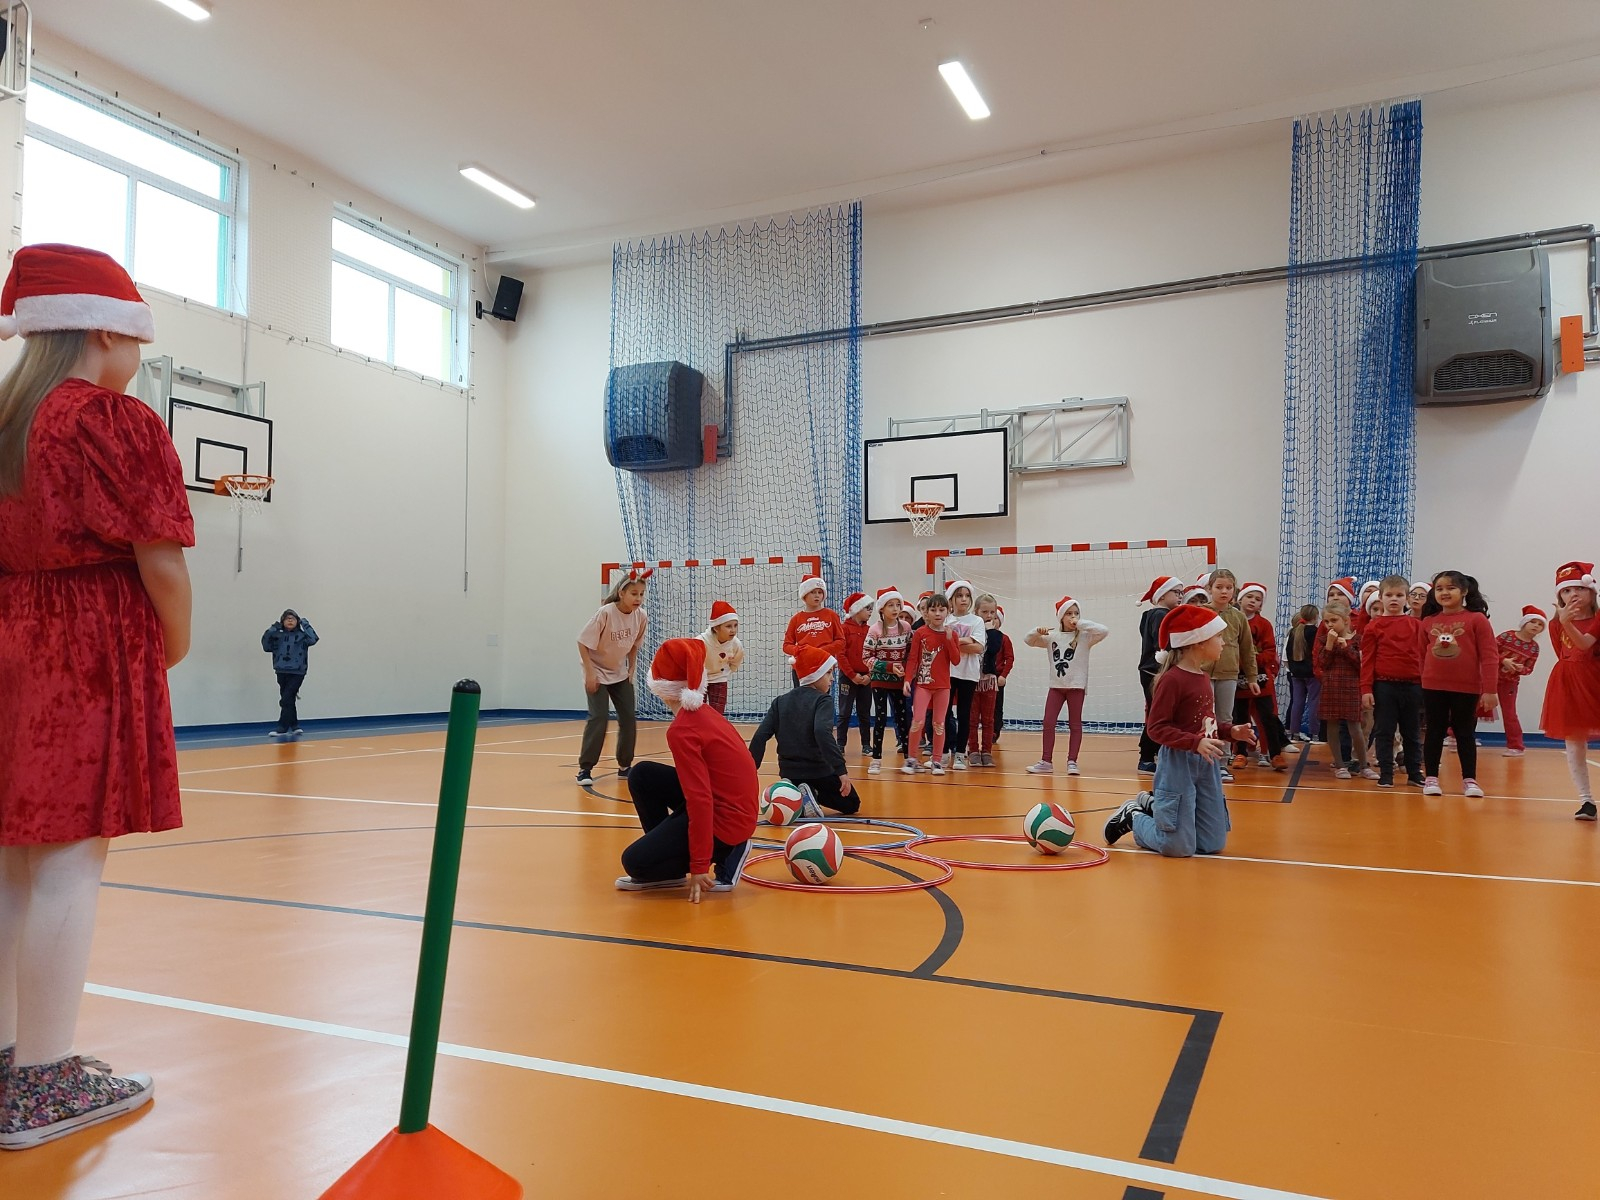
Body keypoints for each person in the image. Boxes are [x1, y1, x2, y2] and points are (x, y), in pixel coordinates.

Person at [0, 244, 194, 1148]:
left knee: (14, 857)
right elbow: (162, 559)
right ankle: (43, 1081)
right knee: (72, 859)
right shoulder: (112, 420)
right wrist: (172, 643)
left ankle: (10, 1059)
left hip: (10, 632)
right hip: (84, 642)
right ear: (108, 331)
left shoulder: (8, 421)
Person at [1102, 604, 1255, 855]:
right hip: (1178, 763)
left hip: (1207, 763)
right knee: (1176, 847)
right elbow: (1156, 728)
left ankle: (1154, 806)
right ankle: (1134, 816)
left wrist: (1231, 731)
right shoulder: (1172, 680)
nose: (1224, 642)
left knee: (1212, 843)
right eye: (1218, 636)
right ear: (1198, 642)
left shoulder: (1203, 677)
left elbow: (1205, 723)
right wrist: (1194, 743)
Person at [615, 639, 758, 901]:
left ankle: (727, 850)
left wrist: (699, 865)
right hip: (733, 807)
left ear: (661, 687)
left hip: (727, 822)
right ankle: (670, 864)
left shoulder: (683, 730)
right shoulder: (704, 712)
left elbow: (700, 799)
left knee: (635, 862)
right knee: (642, 775)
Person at [749, 646, 858, 816]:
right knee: (852, 803)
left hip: (789, 773)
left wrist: (750, 771)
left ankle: (793, 794)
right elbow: (822, 732)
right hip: (818, 771)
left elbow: (760, 736)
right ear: (815, 675)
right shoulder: (823, 700)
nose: (832, 679)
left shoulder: (780, 701)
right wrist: (841, 770)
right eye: (828, 673)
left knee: (796, 805)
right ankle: (812, 793)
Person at [1418, 570, 1498, 798]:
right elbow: (1421, 655)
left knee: (1464, 733)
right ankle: (1431, 778)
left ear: (1464, 591)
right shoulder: (1428, 622)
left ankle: (1469, 780)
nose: (1444, 592)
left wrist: (1490, 690)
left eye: (1450, 588)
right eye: (1439, 589)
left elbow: (1490, 656)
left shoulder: (1477, 619)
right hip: (1433, 687)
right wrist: (1425, 679)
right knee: (1434, 731)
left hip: (1467, 687)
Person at [575, 567, 649, 785]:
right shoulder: (606, 613)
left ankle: (625, 766)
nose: (638, 599)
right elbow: (582, 642)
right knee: (598, 717)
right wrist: (590, 673)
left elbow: (634, 646)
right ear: (621, 593)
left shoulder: (641, 616)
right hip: (597, 670)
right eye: (633, 594)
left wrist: (631, 669)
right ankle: (585, 769)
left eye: (641, 594)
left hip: (619, 672)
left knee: (628, 717)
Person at [1539, 562, 1600, 820]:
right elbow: (1563, 654)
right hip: (1567, 684)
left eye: (1579, 588)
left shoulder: (1597, 619)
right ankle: (1586, 800)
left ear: (1591, 592)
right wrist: (1563, 622)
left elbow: (1584, 645)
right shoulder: (1556, 625)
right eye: (1566, 591)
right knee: (1574, 743)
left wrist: (1567, 623)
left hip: (1595, 681)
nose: (1573, 594)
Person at [1024, 595, 1109, 775]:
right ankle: (1046, 761)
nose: (1073, 617)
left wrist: (1081, 623)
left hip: (1076, 686)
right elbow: (1028, 640)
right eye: (1069, 613)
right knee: (1048, 722)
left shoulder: (1085, 636)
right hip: (1056, 686)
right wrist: (1037, 631)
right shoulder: (1052, 636)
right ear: (1061, 617)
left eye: (1076, 613)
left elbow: (1103, 630)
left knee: (1075, 724)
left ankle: (1072, 761)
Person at [1360, 576, 1427, 788]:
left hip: (1413, 685)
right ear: (1380, 597)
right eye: (1389, 595)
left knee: (1412, 731)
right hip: (1384, 686)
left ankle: (1414, 772)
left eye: (1399, 595)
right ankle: (1386, 773)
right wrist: (1366, 688)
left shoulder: (1416, 625)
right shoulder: (1373, 627)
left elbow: (1423, 656)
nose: (1394, 599)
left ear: (1407, 598)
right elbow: (1368, 660)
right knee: (1384, 731)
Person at [1203, 569, 1257, 782]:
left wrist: (1252, 677)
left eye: (1228, 587)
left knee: (1225, 718)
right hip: (1203, 674)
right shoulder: (1200, 613)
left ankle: (1222, 762)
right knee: (1206, 718)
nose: (1224, 591)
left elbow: (1247, 649)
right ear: (1209, 589)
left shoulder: (1238, 617)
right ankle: (1205, 760)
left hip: (1228, 675)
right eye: (1219, 587)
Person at [901, 593, 963, 776]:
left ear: (947, 612)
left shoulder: (952, 634)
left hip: (943, 687)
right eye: (933, 610)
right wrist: (907, 679)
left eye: (941, 610)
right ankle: (911, 759)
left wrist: (949, 639)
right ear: (926, 612)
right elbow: (913, 659)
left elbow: (956, 660)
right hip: (923, 684)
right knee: (918, 720)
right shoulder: (920, 633)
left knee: (939, 723)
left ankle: (936, 761)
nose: (937, 613)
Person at [1315, 605, 1375, 780]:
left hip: (1351, 687)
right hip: (1331, 687)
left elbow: (1360, 664)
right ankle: (1340, 765)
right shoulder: (1324, 640)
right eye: (1326, 621)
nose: (1329, 624)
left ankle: (1363, 765)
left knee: (1355, 728)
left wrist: (1346, 647)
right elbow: (1322, 663)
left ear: (1346, 620)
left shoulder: (1357, 640)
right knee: (1332, 726)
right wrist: (1329, 644)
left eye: (1334, 620)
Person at [1235, 583, 1290, 770]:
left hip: (1261, 678)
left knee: (1268, 717)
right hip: (1237, 678)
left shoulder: (1264, 624)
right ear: (1240, 599)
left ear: (1261, 605)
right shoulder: (1233, 621)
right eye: (1249, 597)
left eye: (1257, 599)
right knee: (1240, 717)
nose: (1253, 601)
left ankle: (1275, 754)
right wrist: (1240, 662)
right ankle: (1240, 753)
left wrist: (1252, 660)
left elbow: (1270, 651)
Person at [1136, 575, 1185, 772]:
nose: (1180, 596)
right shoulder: (1160, 615)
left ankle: (1152, 752)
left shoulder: (1151, 615)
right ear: (1162, 594)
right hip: (1155, 671)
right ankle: (1147, 756)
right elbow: (1162, 643)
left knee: (1157, 712)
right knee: (1158, 713)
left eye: (1182, 592)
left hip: (1152, 670)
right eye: (1176, 592)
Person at [862, 587, 912, 775]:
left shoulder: (906, 628)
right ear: (882, 608)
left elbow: (910, 654)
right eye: (891, 605)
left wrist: (905, 671)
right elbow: (866, 657)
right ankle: (876, 759)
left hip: (899, 681)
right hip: (880, 681)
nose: (895, 608)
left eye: (898, 604)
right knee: (881, 718)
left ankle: (908, 758)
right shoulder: (874, 630)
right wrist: (889, 667)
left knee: (902, 718)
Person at [942, 580, 987, 770]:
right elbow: (941, 645)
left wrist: (954, 641)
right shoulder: (945, 620)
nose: (964, 599)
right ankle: (943, 754)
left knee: (964, 714)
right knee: (944, 714)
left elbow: (978, 648)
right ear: (951, 599)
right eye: (959, 595)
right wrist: (966, 640)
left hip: (968, 673)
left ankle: (960, 754)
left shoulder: (976, 621)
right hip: (947, 672)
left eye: (967, 596)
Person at [967, 593, 1015, 767]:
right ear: (976, 612)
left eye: (992, 612)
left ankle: (986, 751)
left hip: (989, 681)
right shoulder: (970, 631)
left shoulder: (998, 635)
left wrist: (990, 630)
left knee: (988, 719)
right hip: (971, 680)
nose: (988, 616)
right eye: (984, 612)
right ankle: (973, 750)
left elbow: (993, 649)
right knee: (972, 719)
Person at [261, 609, 319, 739]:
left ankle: (282, 727)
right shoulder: (277, 635)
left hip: (298, 671)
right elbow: (266, 646)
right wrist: (273, 628)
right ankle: (294, 725)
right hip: (281, 670)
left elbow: (313, 639)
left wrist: (305, 624)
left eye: (293, 618)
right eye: (287, 618)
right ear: (282, 621)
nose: (290, 620)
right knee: (289, 698)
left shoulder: (302, 636)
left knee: (286, 699)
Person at [1495, 605, 1544, 757]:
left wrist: (1519, 668)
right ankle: (1455, 736)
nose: (1536, 626)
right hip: (1487, 678)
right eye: (1533, 622)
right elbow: (1489, 651)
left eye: (1540, 624)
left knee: (1509, 713)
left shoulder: (1534, 648)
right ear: (1524, 622)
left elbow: (1529, 669)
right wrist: (1503, 661)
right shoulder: (1507, 636)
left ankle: (1516, 746)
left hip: (1509, 683)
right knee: (1473, 707)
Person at [834, 591, 875, 756]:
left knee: (864, 713)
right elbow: (840, 655)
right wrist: (852, 675)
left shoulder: (870, 631)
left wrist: (869, 675)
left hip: (866, 678)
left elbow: (874, 654)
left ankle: (866, 745)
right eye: (867, 608)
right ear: (857, 609)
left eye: (871, 608)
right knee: (844, 712)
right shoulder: (843, 629)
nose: (870, 612)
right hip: (848, 678)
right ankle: (840, 744)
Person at [781, 575, 843, 680]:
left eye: (820, 592)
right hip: (802, 667)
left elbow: (841, 641)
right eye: (813, 592)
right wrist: (801, 651)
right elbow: (786, 645)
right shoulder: (796, 619)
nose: (817, 595)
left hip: (824, 665)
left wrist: (821, 651)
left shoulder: (831, 615)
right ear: (804, 594)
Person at [1283, 603, 1322, 742]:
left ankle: (1294, 733)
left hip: (1296, 673)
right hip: (1311, 673)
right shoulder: (1316, 632)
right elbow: (1318, 653)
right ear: (1316, 617)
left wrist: (1293, 669)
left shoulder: (1294, 631)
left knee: (1297, 702)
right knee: (1313, 703)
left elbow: (1288, 653)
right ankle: (1315, 734)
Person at [698, 600, 744, 716]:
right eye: (728, 626)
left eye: (735, 625)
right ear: (716, 628)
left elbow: (737, 661)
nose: (733, 630)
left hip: (719, 679)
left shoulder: (736, 644)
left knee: (717, 714)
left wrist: (727, 672)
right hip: (700, 680)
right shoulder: (701, 642)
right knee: (698, 712)